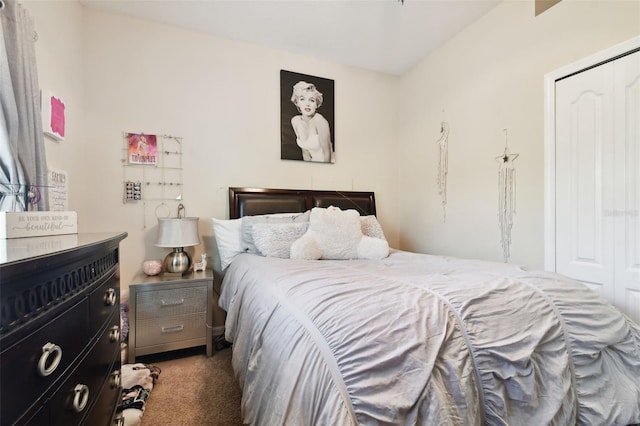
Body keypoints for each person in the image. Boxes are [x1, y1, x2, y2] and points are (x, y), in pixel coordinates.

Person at [290, 81, 334, 162]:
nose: (307, 104)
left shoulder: (320, 122)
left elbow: (327, 153)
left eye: (312, 100)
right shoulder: (295, 121)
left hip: (328, 163)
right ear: (297, 102)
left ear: (317, 104)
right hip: (313, 166)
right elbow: (305, 152)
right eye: (302, 99)